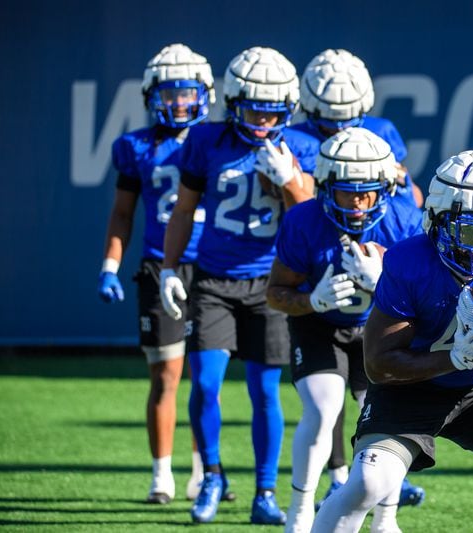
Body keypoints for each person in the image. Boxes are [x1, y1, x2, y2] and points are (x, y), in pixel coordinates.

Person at [311, 150, 473, 533]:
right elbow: (379, 362)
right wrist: (454, 356)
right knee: (369, 483)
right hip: (412, 387)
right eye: (472, 230)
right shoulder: (410, 260)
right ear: (438, 221)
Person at [160, 46, 317, 525]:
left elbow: (309, 218)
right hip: (213, 280)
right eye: (254, 110)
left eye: (275, 112)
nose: (265, 122)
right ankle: (212, 475)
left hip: (270, 283)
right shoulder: (206, 141)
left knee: (265, 392)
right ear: (233, 102)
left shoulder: (302, 146)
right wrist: (169, 267)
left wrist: (291, 182)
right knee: (206, 384)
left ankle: (265, 492)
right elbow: (184, 209)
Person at [266, 128, 424, 533]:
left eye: (367, 192)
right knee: (322, 410)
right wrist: (311, 301)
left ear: (385, 188)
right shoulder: (304, 219)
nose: (357, 203)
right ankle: (299, 510)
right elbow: (275, 293)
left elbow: (427, 304)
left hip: (379, 326)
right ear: (325, 187)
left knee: (390, 418)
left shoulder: (405, 220)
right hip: (319, 326)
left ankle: (386, 519)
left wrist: (386, 282)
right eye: (347, 192)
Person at [293, 48, 427, 508]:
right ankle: (334, 476)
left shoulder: (382, 136)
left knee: (381, 394)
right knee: (323, 399)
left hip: (370, 285)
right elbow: (304, 208)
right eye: (331, 119)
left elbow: (410, 198)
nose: (342, 126)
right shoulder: (294, 139)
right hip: (313, 259)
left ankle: (380, 475)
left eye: (350, 117)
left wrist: (388, 269)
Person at [97, 43, 221, 504]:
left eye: (188, 93)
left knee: (207, 376)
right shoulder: (136, 147)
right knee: (167, 374)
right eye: (170, 93)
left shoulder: (217, 140)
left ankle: (205, 472)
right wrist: (111, 265)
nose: (179, 103)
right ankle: (161, 474)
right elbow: (122, 214)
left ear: (204, 93)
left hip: (211, 266)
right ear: (153, 96)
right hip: (159, 264)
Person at [296, 48, 424, 209]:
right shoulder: (293, 140)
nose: (339, 129)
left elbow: (414, 200)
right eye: (330, 120)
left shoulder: (380, 131)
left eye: (346, 120)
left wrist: (399, 178)